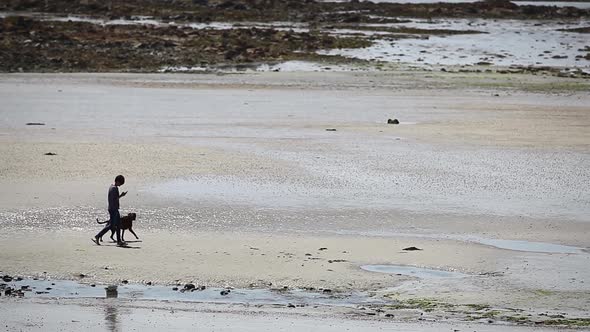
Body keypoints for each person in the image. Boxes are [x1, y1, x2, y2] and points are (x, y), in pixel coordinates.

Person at [92, 175, 128, 247]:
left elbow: (113, 199)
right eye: (120, 183)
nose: (120, 185)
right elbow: (114, 199)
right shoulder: (114, 188)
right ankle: (98, 236)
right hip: (113, 209)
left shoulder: (112, 187)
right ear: (117, 181)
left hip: (113, 209)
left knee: (118, 225)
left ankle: (119, 241)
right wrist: (121, 195)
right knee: (111, 225)